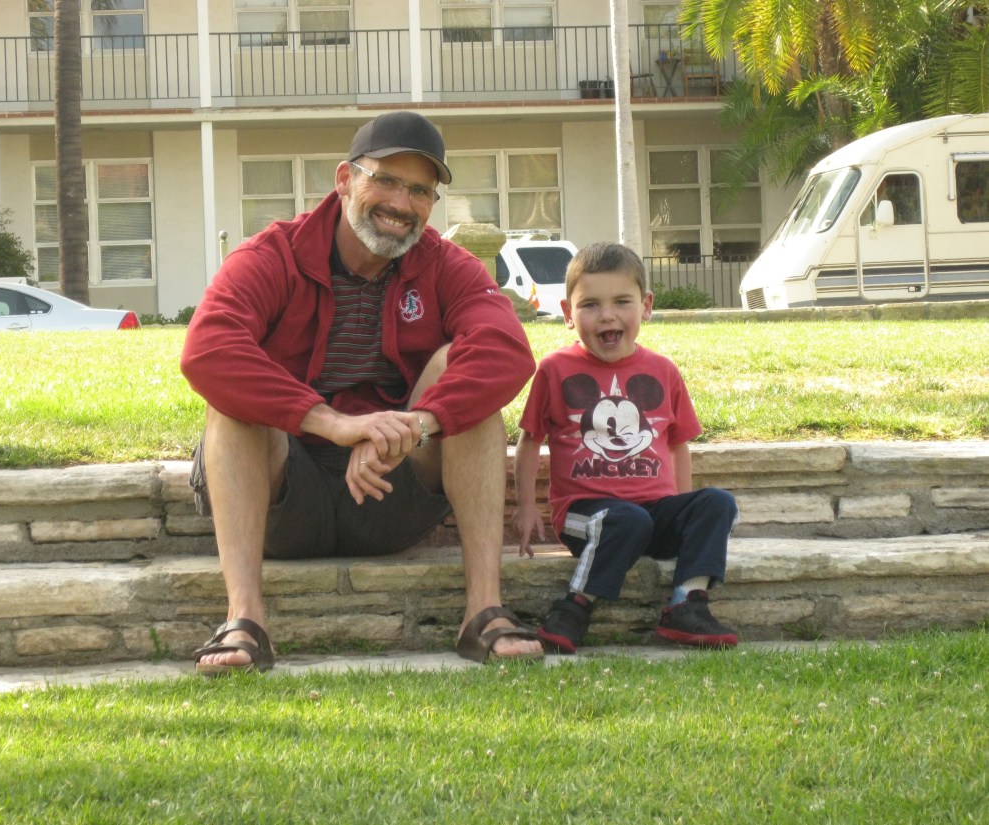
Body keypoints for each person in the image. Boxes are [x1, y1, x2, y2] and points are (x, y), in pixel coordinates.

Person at [181, 110, 544, 674]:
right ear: (345, 179)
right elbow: (208, 348)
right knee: (231, 404)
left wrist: (412, 428)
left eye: (421, 190)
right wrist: (332, 423)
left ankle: (483, 613)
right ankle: (245, 621)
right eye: (387, 180)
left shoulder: (448, 266)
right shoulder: (271, 255)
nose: (402, 203)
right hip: (283, 492)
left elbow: (507, 349)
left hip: (388, 493)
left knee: (463, 373)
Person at [511, 242, 739, 653]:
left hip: (652, 515)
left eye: (621, 301)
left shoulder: (663, 372)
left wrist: (682, 509)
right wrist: (526, 506)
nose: (607, 315)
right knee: (628, 520)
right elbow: (530, 441)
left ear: (646, 305)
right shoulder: (555, 370)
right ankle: (575, 606)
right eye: (591, 305)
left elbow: (677, 444)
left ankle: (688, 603)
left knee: (717, 504)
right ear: (567, 313)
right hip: (585, 515)